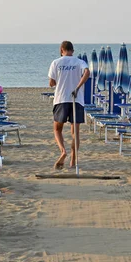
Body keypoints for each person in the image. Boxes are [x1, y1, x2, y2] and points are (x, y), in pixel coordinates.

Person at [48, 41, 90, 170]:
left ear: (62, 50)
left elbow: (51, 82)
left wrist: (59, 81)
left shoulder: (56, 62)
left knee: (57, 129)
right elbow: (87, 72)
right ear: (73, 50)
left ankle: (63, 151)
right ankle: (73, 161)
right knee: (75, 133)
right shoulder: (79, 62)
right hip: (76, 99)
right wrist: (78, 86)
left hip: (61, 98)